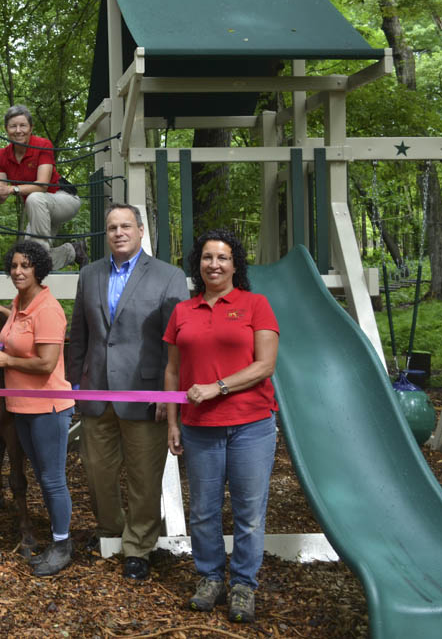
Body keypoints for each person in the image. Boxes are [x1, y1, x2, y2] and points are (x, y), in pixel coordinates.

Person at [66, 203, 188, 580]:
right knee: (97, 471)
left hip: (146, 393)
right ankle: (111, 530)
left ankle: (138, 546)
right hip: (96, 392)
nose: (119, 233)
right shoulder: (90, 274)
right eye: (112, 227)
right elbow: (80, 334)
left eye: (126, 226)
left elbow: (178, 343)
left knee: (143, 477)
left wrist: (169, 399)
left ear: (139, 230)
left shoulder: (169, 276)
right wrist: (74, 386)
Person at [163, 229, 279, 624]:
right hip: (199, 428)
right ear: (198, 264)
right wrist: (173, 424)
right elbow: (173, 370)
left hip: (251, 426)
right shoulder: (183, 311)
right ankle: (210, 578)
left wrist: (218, 387)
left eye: (223, 257)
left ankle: (244, 584)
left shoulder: (255, 305)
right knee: (204, 512)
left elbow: (265, 365)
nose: (214, 264)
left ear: (235, 264)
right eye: (207, 257)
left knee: (248, 512)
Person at [0, 241, 75, 577]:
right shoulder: (21, 304)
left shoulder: (47, 309)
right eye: (14, 265)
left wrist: (6, 360)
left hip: (48, 407)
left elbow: (46, 363)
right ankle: (56, 538)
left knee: (52, 479)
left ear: (39, 270)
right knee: (42, 476)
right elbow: (17, 325)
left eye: (26, 266)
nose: (18, 271)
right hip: (23, 407)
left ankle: (62, 544)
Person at [0, 104, 87, 271]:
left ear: (31, 128)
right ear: (6, 129)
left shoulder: (42, 145)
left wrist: (12, 189)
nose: (18, 130)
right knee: (27, 257)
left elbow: (42, 185)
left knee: (35, 198)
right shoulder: (1, 156)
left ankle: (40, 257)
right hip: (38, 209)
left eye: (23, 125)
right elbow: (1, 197)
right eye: (13, 126)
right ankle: (72, 251)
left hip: (63, 198)